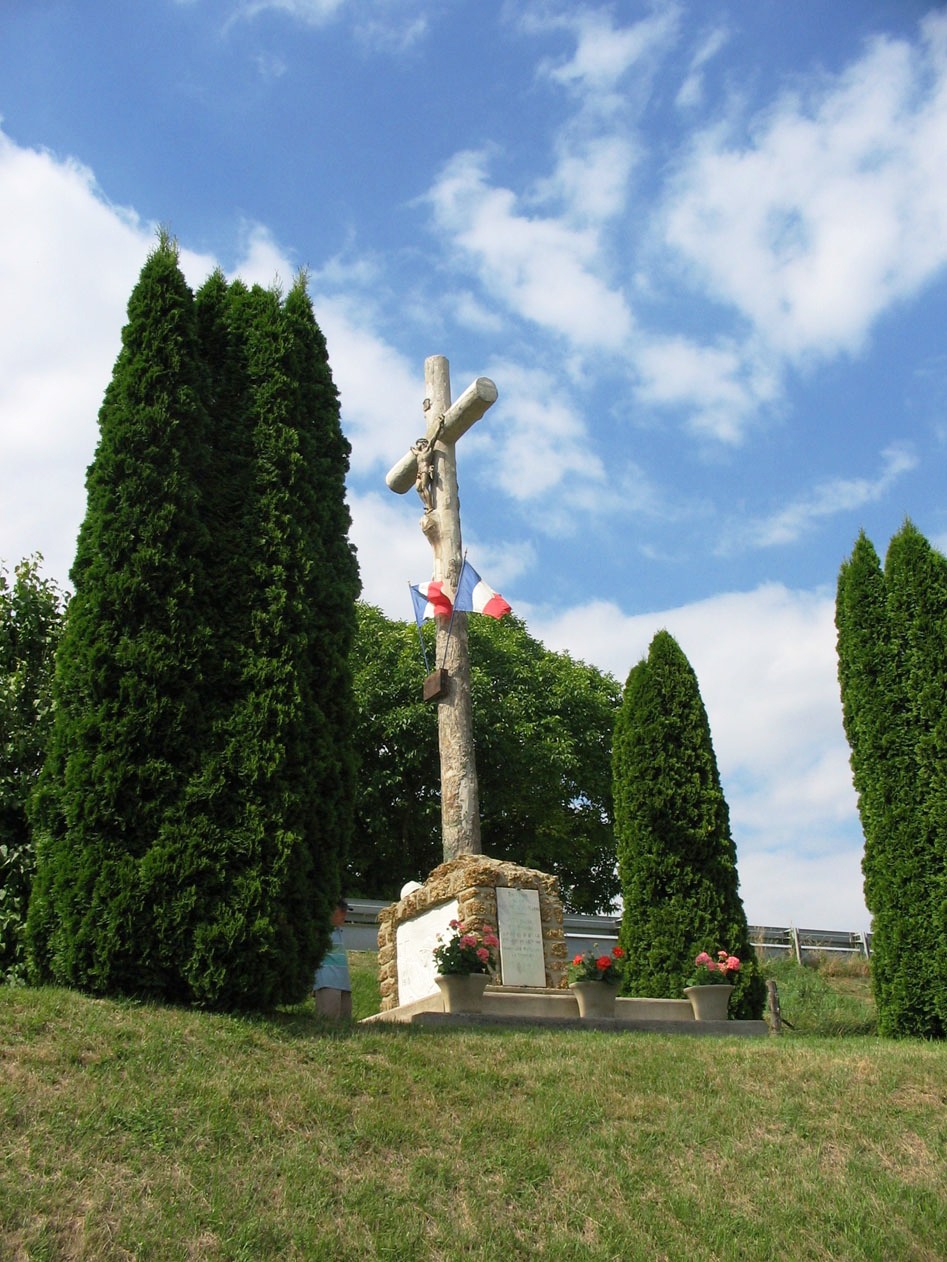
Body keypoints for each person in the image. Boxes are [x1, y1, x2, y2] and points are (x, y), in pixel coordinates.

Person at [313, 899, 352, 1018]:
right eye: (342, 911)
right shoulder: (321, 931)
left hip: (343, 983)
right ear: (333, 911)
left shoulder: (339, 930)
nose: (345, 915)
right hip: (327, 981)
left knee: (345, 1020)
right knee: (328, 1019)